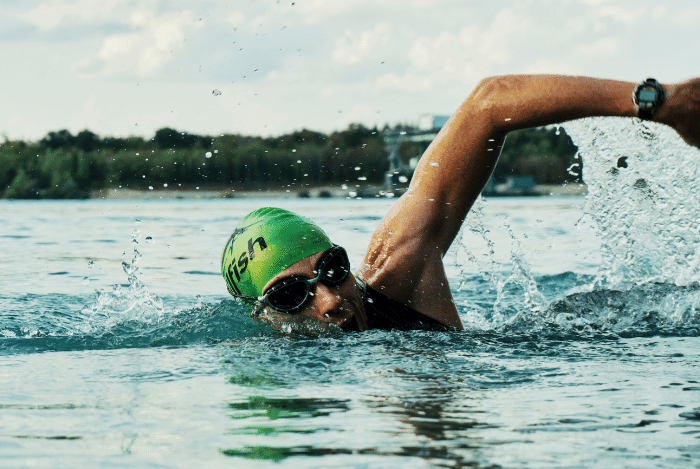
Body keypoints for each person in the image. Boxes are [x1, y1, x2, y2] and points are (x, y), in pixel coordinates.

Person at [222, 74, 700, 332]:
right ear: (262, 315)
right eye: (290, 295)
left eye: (331, 268)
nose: (328, 300)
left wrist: (659, 102)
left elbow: (488, 103)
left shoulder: (396, 273)